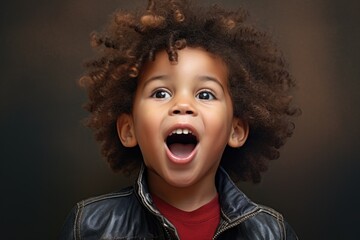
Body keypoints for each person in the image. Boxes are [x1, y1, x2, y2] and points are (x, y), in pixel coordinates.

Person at [60, 0, 300, 239]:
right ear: (128, 129)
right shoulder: (89, 227)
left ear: (235, 131)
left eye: (205, 94)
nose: (182, 105)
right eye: (160, 93)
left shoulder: (272, 233)